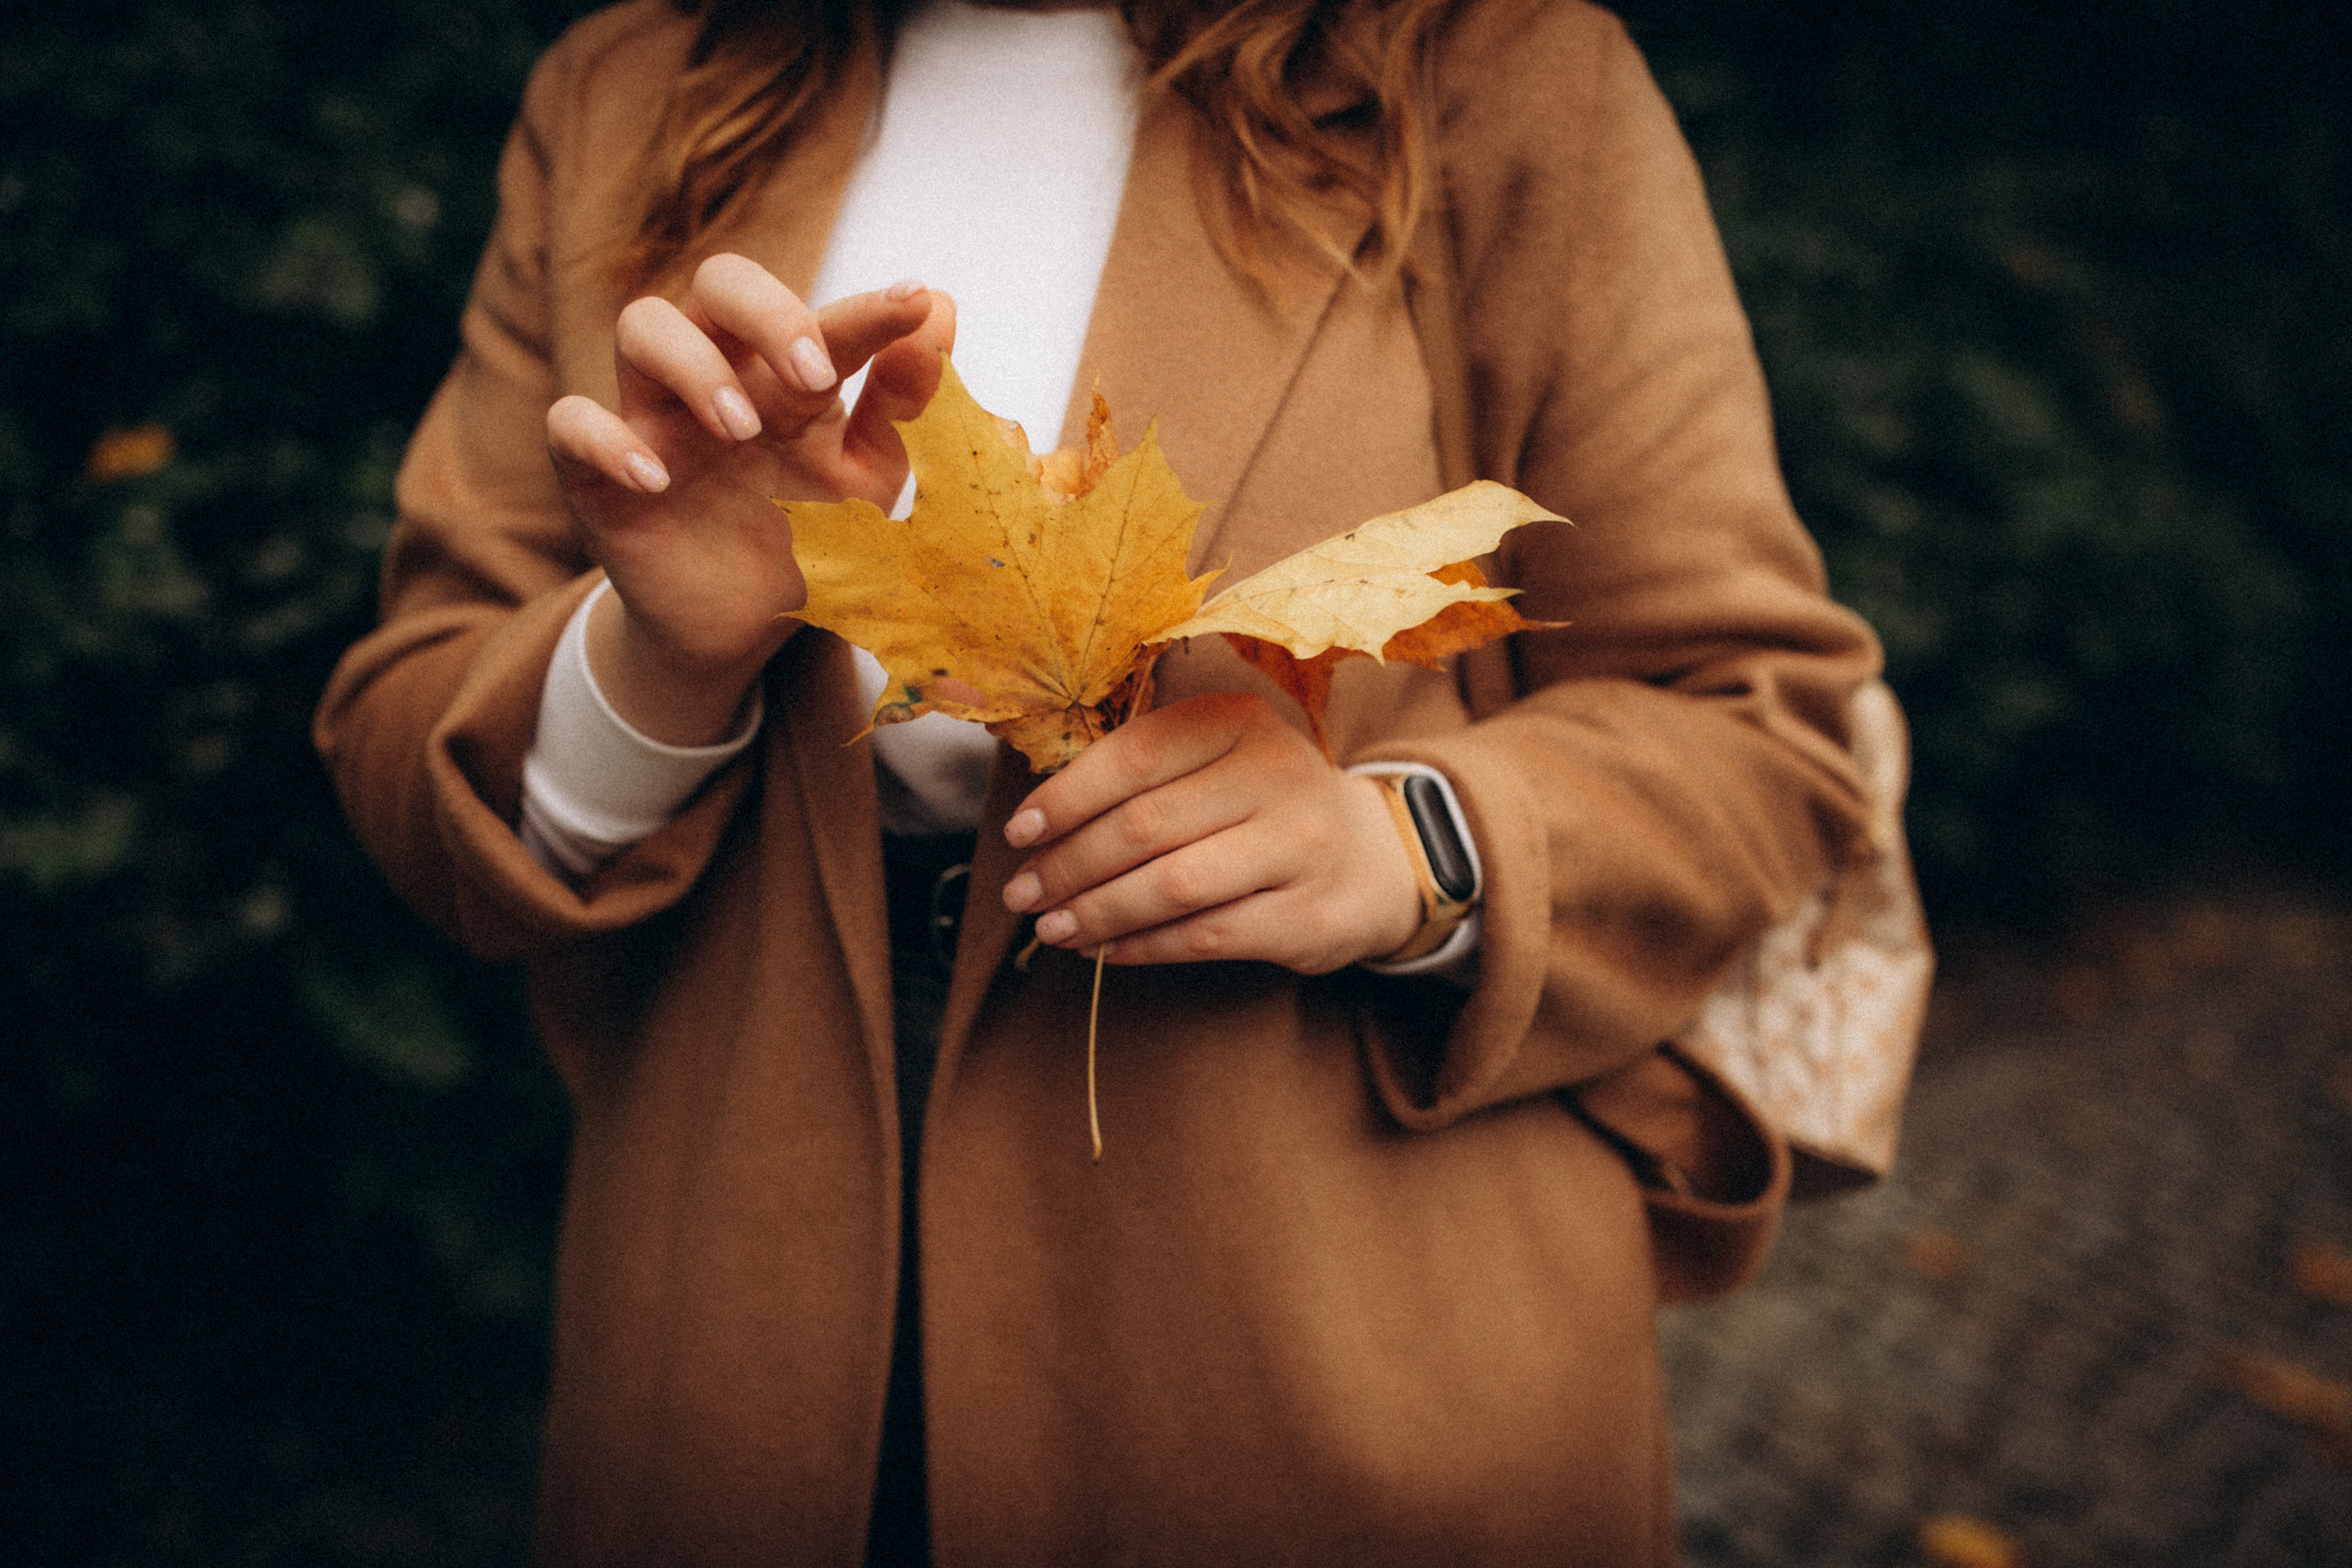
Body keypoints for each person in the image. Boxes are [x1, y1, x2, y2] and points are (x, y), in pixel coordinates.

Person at [314, 0, 1894, 1562]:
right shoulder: (626, 89)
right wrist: (653, 665)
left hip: (1332, 1367)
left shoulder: (1493, 71)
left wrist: (1399, 848)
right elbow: (409, 732)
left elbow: (1752, 718)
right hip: (735, 1365)